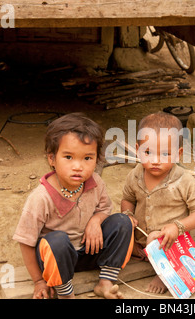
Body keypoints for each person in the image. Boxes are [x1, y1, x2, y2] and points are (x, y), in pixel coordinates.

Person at [13, 112, 133, 299]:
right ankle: (66, 293)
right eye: (68, 157)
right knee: (57, 241)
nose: (78, 166)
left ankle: (106, 282)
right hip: (57, 261)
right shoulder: (41, 197)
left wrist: (95, 220)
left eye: (87, 158)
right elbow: (26, 241)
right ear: (52, 159)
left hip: (90, 251)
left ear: (97, 159)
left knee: (123, 222)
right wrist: (38, 281)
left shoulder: (96, 182)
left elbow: (104, 209)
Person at [121, 111, 195, 294]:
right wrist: (128, 215)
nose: (155, 160)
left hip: (170, 241)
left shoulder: (184, 181)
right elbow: (127, 199)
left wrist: (178, 226)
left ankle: (163, 273)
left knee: (156, 237)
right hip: (141, 238)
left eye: (165, 154)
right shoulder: (135, 174)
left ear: (178, 154)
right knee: (119, 224)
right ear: (138, 149)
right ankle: (138, 250)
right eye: (147, 152)